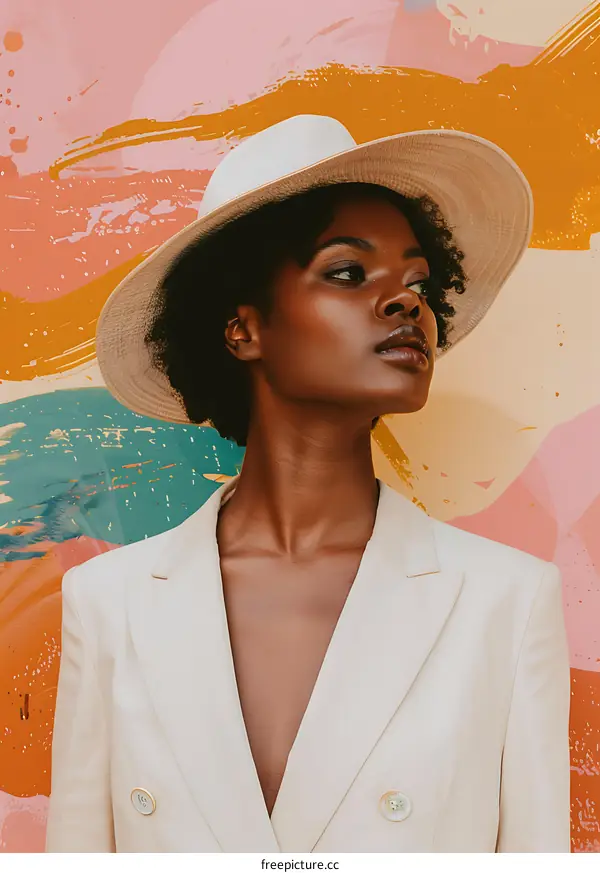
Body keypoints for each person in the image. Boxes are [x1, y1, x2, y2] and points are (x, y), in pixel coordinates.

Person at [45, 114, 571, 853]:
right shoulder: (110, 605)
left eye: (418, 281)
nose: (405, 302)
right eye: (348, 271)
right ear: (242, 328)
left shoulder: (506, 603)